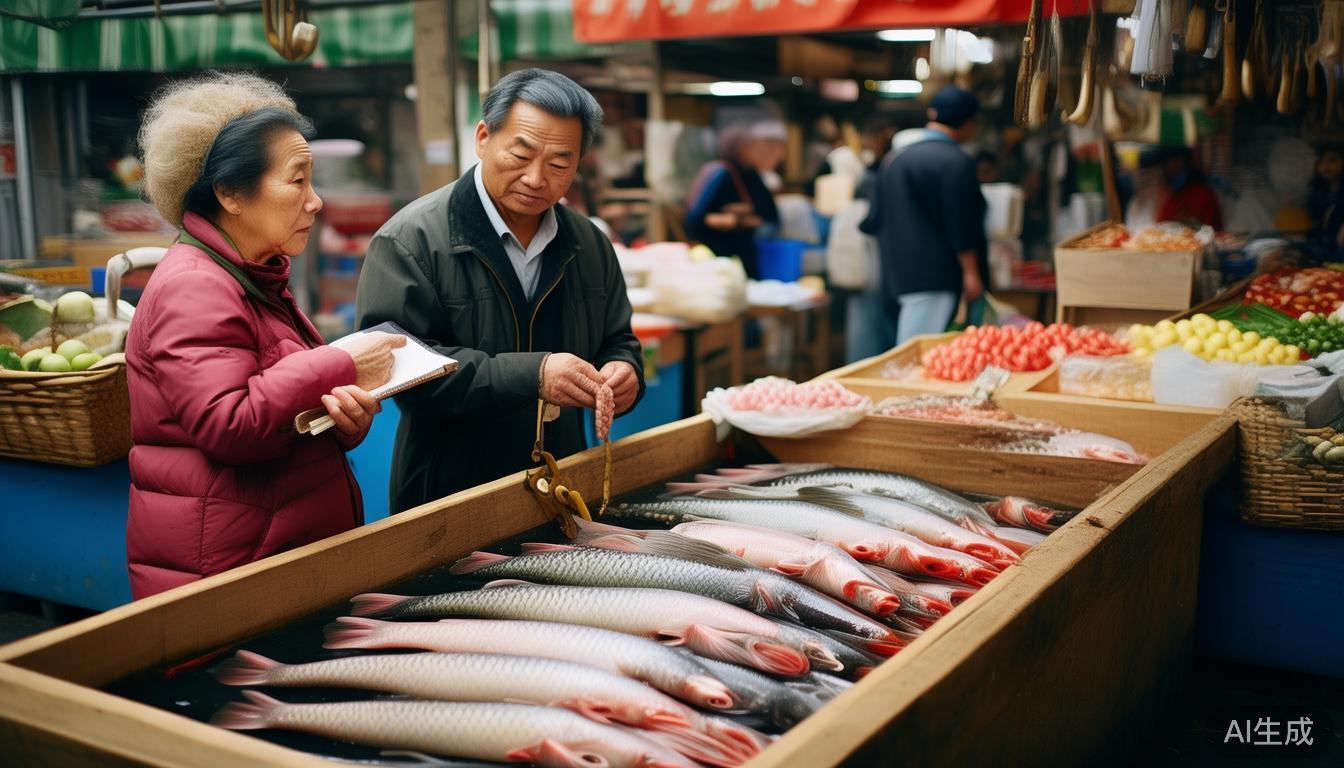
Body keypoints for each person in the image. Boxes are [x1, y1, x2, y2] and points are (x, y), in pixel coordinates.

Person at [127, 72, 405, 599]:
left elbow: (278, 406)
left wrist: (343, 419)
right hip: (225, 580)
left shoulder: (252, 274)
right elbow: (228, 423)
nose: (316, 201)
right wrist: (342, 364)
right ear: (230, 193)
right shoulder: (195, 284)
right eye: (298, 180)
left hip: (270, 561)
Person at [355, 69, 644, 513]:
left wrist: (624, 372)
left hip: (562, 485)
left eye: (559, 164)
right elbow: (402, 375)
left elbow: (618, 339)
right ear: (484, 138)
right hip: (448, 496)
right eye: (521, 154)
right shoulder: (410, 241)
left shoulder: (589, 243)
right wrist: (534, 375)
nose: (535, 178)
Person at [860, 86, 987, 344]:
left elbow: (873, 219)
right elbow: (960, 223)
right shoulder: (956, 160)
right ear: (969, 123)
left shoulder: (894, 159)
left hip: (895, 274)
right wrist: (971, 272)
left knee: (910, 348)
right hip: (937, 274)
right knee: (921, 354)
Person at [683, 121, 782, 278]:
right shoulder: (718, 173)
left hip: (746, 255)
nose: (758, 151)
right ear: (737, 147)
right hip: (716, 256)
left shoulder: (752, 174)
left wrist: (750, 217)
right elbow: (693, 220)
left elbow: (770, 215)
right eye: (752, 146)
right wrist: (728, 220)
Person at [1156, 146, 1223, 230]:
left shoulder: (1201, 193)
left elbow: (1210, 229)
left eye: (1167, 161)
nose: (1164, 167)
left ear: (1180, 161)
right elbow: (1161, 223)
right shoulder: (1171, 189)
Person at [1307, 145, 1344, 259]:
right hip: (1321, 247)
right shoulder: (1318, 192)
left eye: (1332, 160)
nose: (1325, 166)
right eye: (1321, 162)